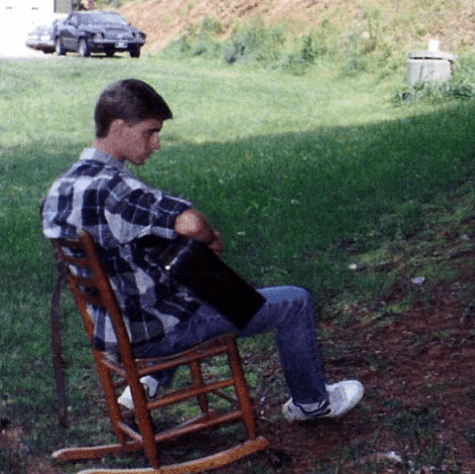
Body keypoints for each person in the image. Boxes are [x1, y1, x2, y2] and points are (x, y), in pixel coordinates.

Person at [42, 79, 363, 422]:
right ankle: (312, 404)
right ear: (120, 127)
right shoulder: (116, 189)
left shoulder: (60, 189)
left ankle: (147, 383)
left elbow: (124, 249)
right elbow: (191, 223)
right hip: (155, 333)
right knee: (293, 301)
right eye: (150, 132)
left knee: (203, 277)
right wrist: (207, 239)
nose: (157, 144)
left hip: (117, 326)